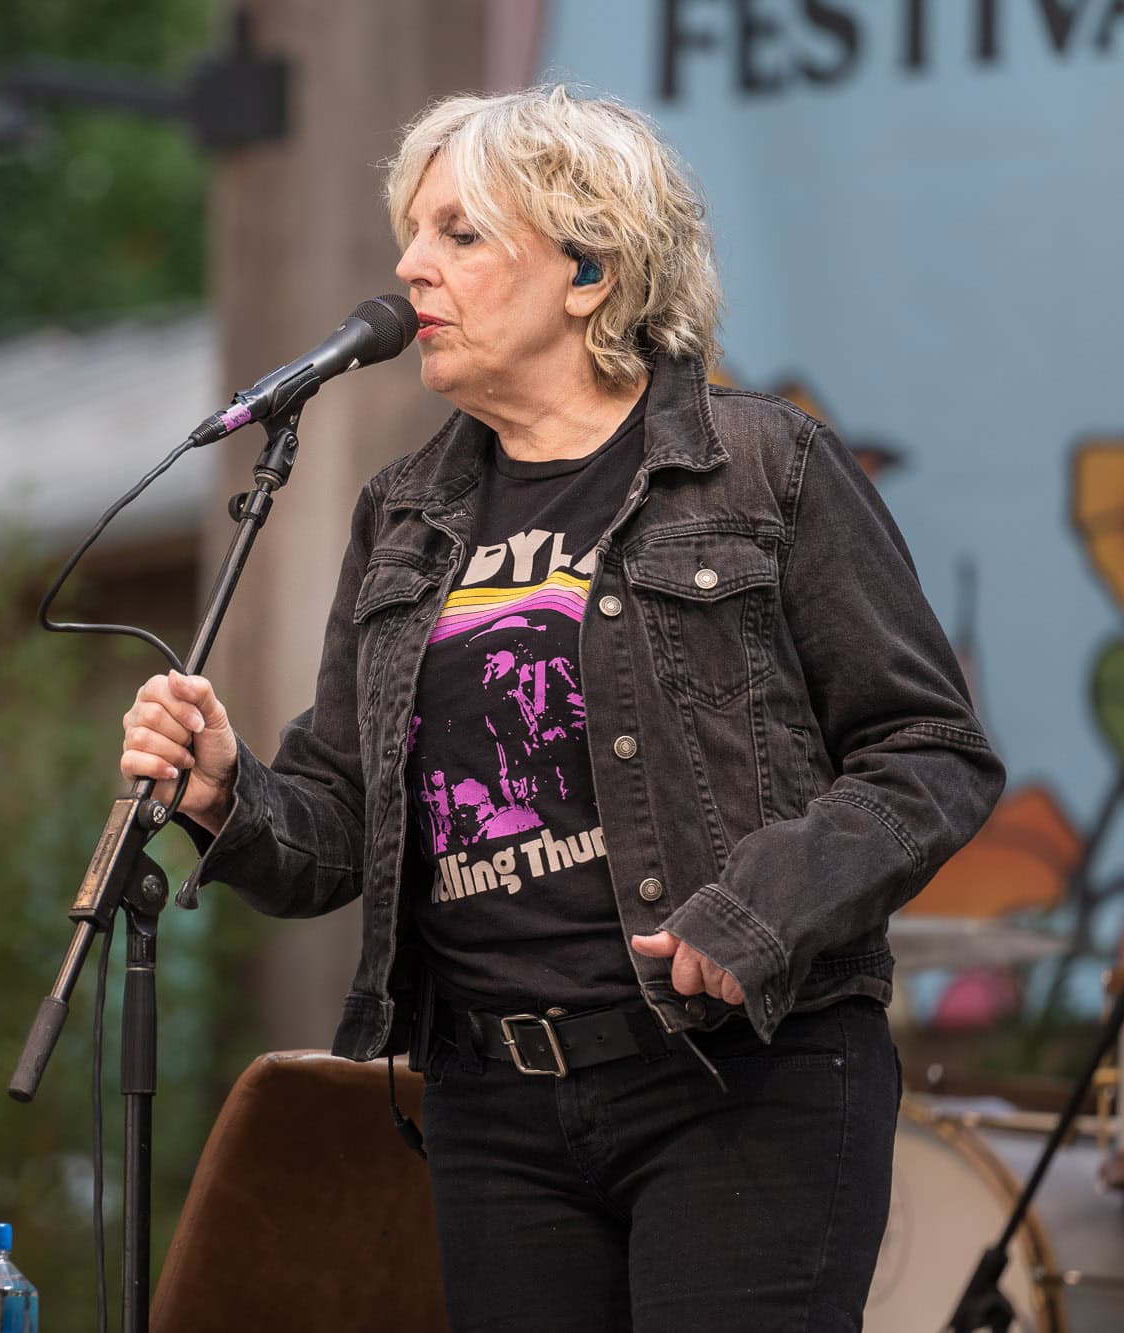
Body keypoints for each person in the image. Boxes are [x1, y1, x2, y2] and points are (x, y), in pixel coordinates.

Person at [120, 86, 1002, 1331]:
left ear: (588, 269)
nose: (407, 266)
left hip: (737, 1077)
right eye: (409, 233)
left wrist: (758, 910)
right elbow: (339, 826)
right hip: (491, 1103)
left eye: (457, 234)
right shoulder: (404, 513)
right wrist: (226, 793)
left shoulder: (762, 468)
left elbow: (930, 755)